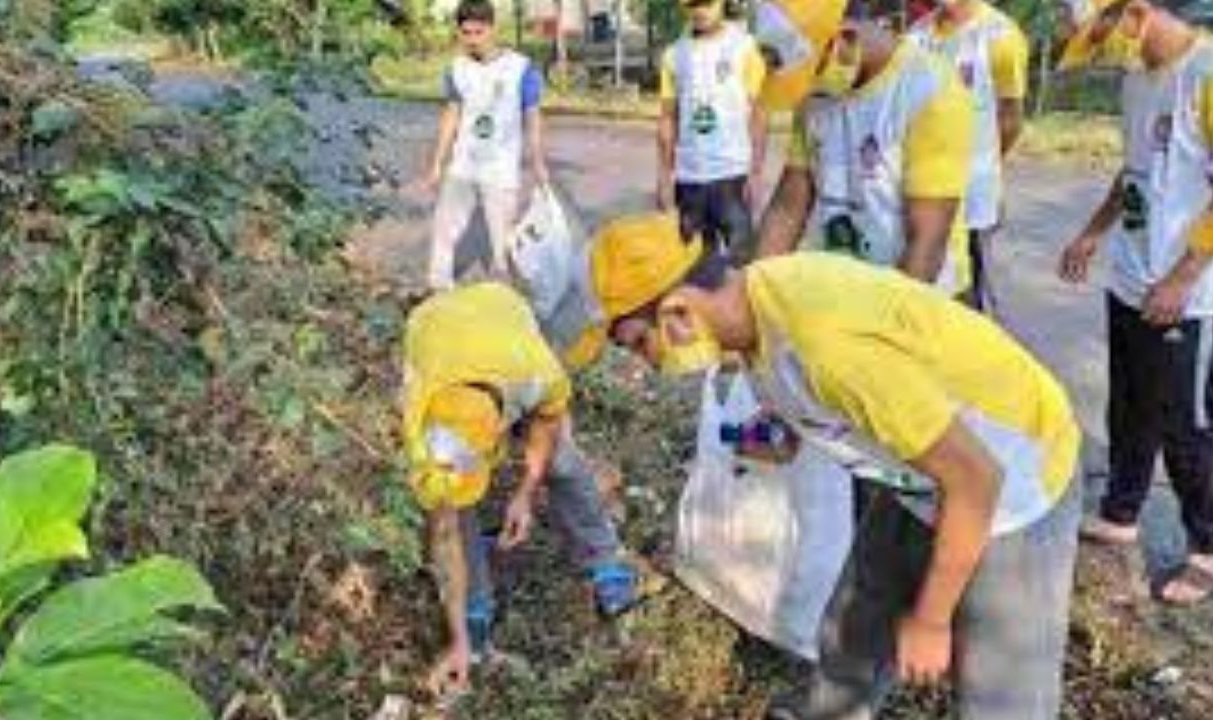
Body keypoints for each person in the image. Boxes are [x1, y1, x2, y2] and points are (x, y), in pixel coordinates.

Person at [585, 216, 1082, 719]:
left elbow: (976, 481)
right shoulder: (753, 312)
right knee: (853, 631)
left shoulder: (825, 348)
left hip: (1013, 478)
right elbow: (800, 416)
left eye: (638, 343)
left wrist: (932, 620)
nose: (644, 363)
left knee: (1000, 693)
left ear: (677, 312)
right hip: (918, 471)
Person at [402, 283, 636, 695]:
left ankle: (604, 559)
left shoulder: (537, 375)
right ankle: (474, 611)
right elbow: (443, 532)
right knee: (454, 512)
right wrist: (458, 639)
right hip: (435, 331)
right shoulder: (420, 422)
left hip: (501, 314)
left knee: (561, 460)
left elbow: (546, 425)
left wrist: (525, 492)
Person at [1057, 0, 1213, 605]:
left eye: (1100, 33)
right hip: (1131, 273)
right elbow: (1134, 172)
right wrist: (1094, 232)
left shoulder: (1203, 75)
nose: (1100, 51)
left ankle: (1205, 543)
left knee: (1186, 422)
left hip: (1190, 292)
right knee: (1129, 404)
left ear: (1136, 13)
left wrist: (1182, 277)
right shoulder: (1136, 81)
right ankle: (1122, 510)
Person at [756, 3, 976, 303]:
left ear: (846, 38)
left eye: (813, 75)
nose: (808, 91)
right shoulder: (814, 95)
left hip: (923, 299)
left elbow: (926, 241)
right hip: (845, 290)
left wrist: (882, 330)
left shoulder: (928, 88)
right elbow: (788, 207)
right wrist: (755, 292)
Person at [907, 0, 1029, 313]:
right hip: (924, 193)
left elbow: (1011, 119)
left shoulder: (1001, 36)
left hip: (973, 200)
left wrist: (986, 172)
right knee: (929, 290)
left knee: (971, 298)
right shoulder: (916, 35)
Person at [421, 0, 549, 290]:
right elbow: (451, 115)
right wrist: (437, 163)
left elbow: (532, 117)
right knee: (444, 230)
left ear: (492, 29)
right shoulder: (457, 69)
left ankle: (503, 301)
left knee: (502, 245)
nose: (471, 40)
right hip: (463, 165)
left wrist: (538, 162)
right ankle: (438, 288)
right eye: (465, 33)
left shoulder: (521, 69)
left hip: (500, 169)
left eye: (478, 32)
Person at [658, 0, 768, 265]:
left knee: (741, 267)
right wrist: (664, 176)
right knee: (691, 268)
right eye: (692, 4)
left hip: (732, 178)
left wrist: (756, 172)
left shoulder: (745, 48)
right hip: (689, 180)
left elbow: (758, 113)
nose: (699, 10)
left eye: (706, 3)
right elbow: (667, 118)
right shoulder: (673, 56)